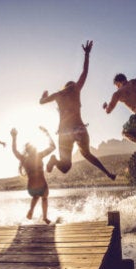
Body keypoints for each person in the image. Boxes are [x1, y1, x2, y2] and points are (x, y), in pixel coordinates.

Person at [39, 40, 116, 180]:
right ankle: (107, 173)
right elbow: (85, 72)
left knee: (65, 167)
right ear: (73, 85)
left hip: (64, 132)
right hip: (79, 129)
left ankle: (54, 161)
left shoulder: (58, 95)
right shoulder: (75, 89)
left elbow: (41, 102)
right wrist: (87, 54)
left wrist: (43, 97)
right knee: (87, 154)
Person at [10, 126, 55, 224]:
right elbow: (53, 147)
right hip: (43, 185)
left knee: (36, 196)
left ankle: (31, 211)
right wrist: (47, 133)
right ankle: (44, 217)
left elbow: (14, 151)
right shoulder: (40, 155)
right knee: (44, 197)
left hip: (31, 188)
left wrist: (14, 137)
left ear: (27, 150)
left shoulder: (23, 159)